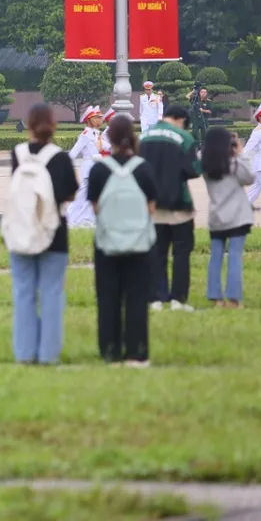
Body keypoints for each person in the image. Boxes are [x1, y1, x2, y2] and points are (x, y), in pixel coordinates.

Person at [7, 104, 79, 365]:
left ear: (28, 125)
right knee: (51, 293)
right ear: (53, 125)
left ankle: (24, 353)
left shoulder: (17, 154)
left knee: (23, 293)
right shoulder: (60, 157)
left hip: (22, 228)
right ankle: (48, 354)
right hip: (54, 232)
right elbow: (71, 192)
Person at [88, 115, 157, 366]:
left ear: (110, 138)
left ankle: (110, 350)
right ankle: (137, 351)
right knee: (137, 298)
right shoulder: (144, 168)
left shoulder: (99, 170)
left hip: (107, 243)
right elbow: (151, 207)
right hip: (139, 243)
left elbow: (96, 208)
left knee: (108, 298)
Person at [138, 106, 201, 312]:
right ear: (181, 119)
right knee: (181, 252)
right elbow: (193, 170)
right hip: (178, 205)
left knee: (156, 253)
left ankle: (155, 298)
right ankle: (178, 299)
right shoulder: (184, 138)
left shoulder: (144, 136)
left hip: (151, 205)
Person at [202, 127, 255, 309]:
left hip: (217, 217)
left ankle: (216, 298)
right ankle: (233, 299)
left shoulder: (206, 166)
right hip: (238, 217)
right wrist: (240, 153)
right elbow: (250, 177)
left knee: (216, 257)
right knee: (234, 256)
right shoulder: (234, 164)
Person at [66, 106, 104, 228]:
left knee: (92, 196)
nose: (100, 119)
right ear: (89, 119)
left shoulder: (97, 134)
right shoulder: (85, 135)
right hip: (88, 168)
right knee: (81, 196)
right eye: (96, 117)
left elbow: (108, 146)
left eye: (100, 117)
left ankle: (87, 219)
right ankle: (71, 219)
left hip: (96, 168)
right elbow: (73, 153)